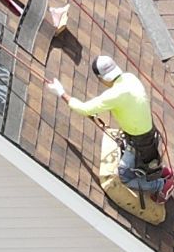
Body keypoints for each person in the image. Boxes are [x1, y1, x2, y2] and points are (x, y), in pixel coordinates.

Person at [55, 56, 166, 224]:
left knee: (124, 176)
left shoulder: (114, 94)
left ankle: (159, 185)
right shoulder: (130, 78)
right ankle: (157, 174)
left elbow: (84, 109)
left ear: (101, 78)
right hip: (146, 135)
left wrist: (62, 93)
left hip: (139, 141)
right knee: (137, 158)